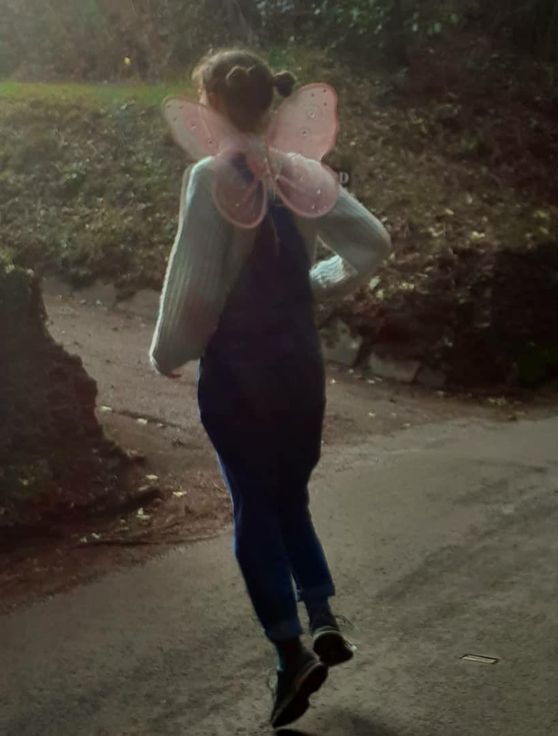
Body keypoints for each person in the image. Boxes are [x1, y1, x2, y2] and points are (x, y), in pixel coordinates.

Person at [149, 48, 391, 729]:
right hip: (301, 368)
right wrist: (314, 286)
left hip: (239, 372)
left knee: (253, 504)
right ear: (269, 102)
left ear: (214, 105)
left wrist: (167, 353)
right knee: (290, 494)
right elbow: (373, 242)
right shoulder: (306, 174)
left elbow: (196, 290)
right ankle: (321, 618)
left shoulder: (210, 177)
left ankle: (291, 657)